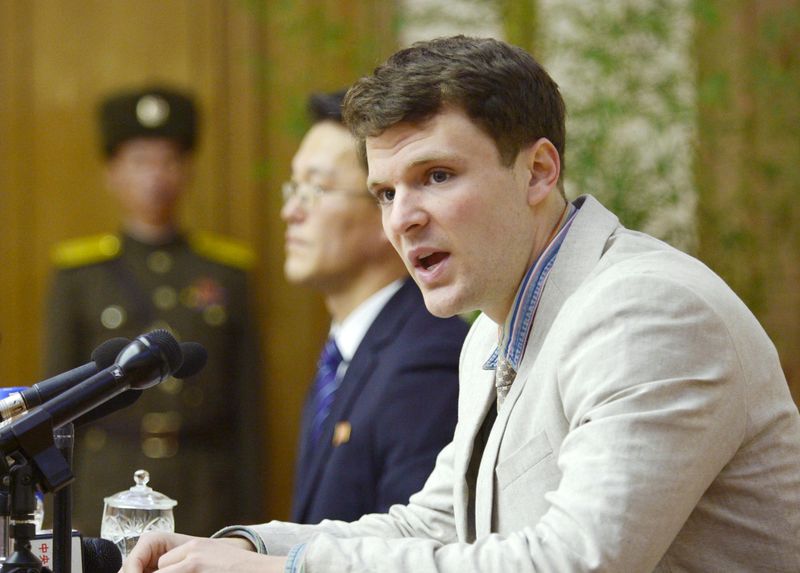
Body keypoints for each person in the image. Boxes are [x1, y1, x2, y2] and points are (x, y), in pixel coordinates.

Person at [122, 36, 800, 572]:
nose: (403, 219)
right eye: (386, 191)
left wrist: (291, 568)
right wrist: (248, 545)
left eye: (436, 176)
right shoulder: (491, 327)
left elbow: (574, 562)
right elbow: (439, 522)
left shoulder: (646, 309)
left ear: (538, 171)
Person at [43, 85, 264, 536]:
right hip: (105, 483)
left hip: (205, 485)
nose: (156, 177)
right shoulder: (79, 276)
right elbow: (58, 410)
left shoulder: (226, 274)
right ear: (112, 172)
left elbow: (248, 411)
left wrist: (250, 518)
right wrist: (62, 507)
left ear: (187, 170)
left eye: (168, 161)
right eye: (140, 161)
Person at [282, 90, 467, 524]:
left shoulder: (426, 359)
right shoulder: (348, 350)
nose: (291, 211)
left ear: (389, 207)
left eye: (316, 189)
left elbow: (415, 548)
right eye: (293, 186)